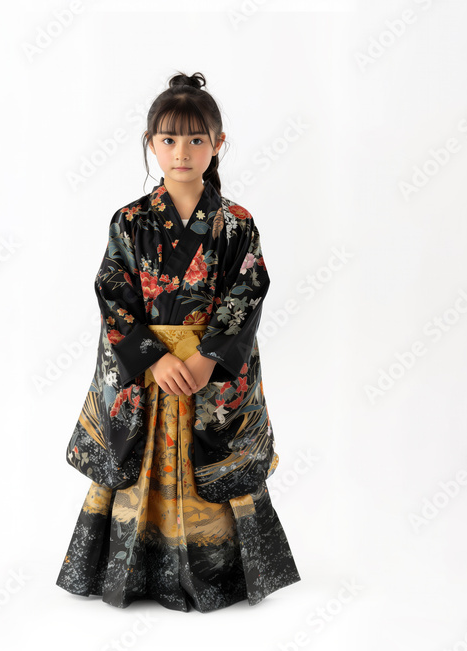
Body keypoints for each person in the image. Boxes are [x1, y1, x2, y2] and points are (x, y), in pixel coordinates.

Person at [56, 71, 300, 613]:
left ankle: (219, 574)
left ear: (218, 144)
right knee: (139, 462)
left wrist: (211, 356)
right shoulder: (130, 221)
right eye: (168, 139)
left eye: (196, 139)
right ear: (151, 145)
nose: (182, 151)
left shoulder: (236, 225)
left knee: (211, 459)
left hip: (206, 370)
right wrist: (156, 356)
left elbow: (249, 288)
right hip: (151, 371)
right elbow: (113, 294)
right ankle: (134, 572)